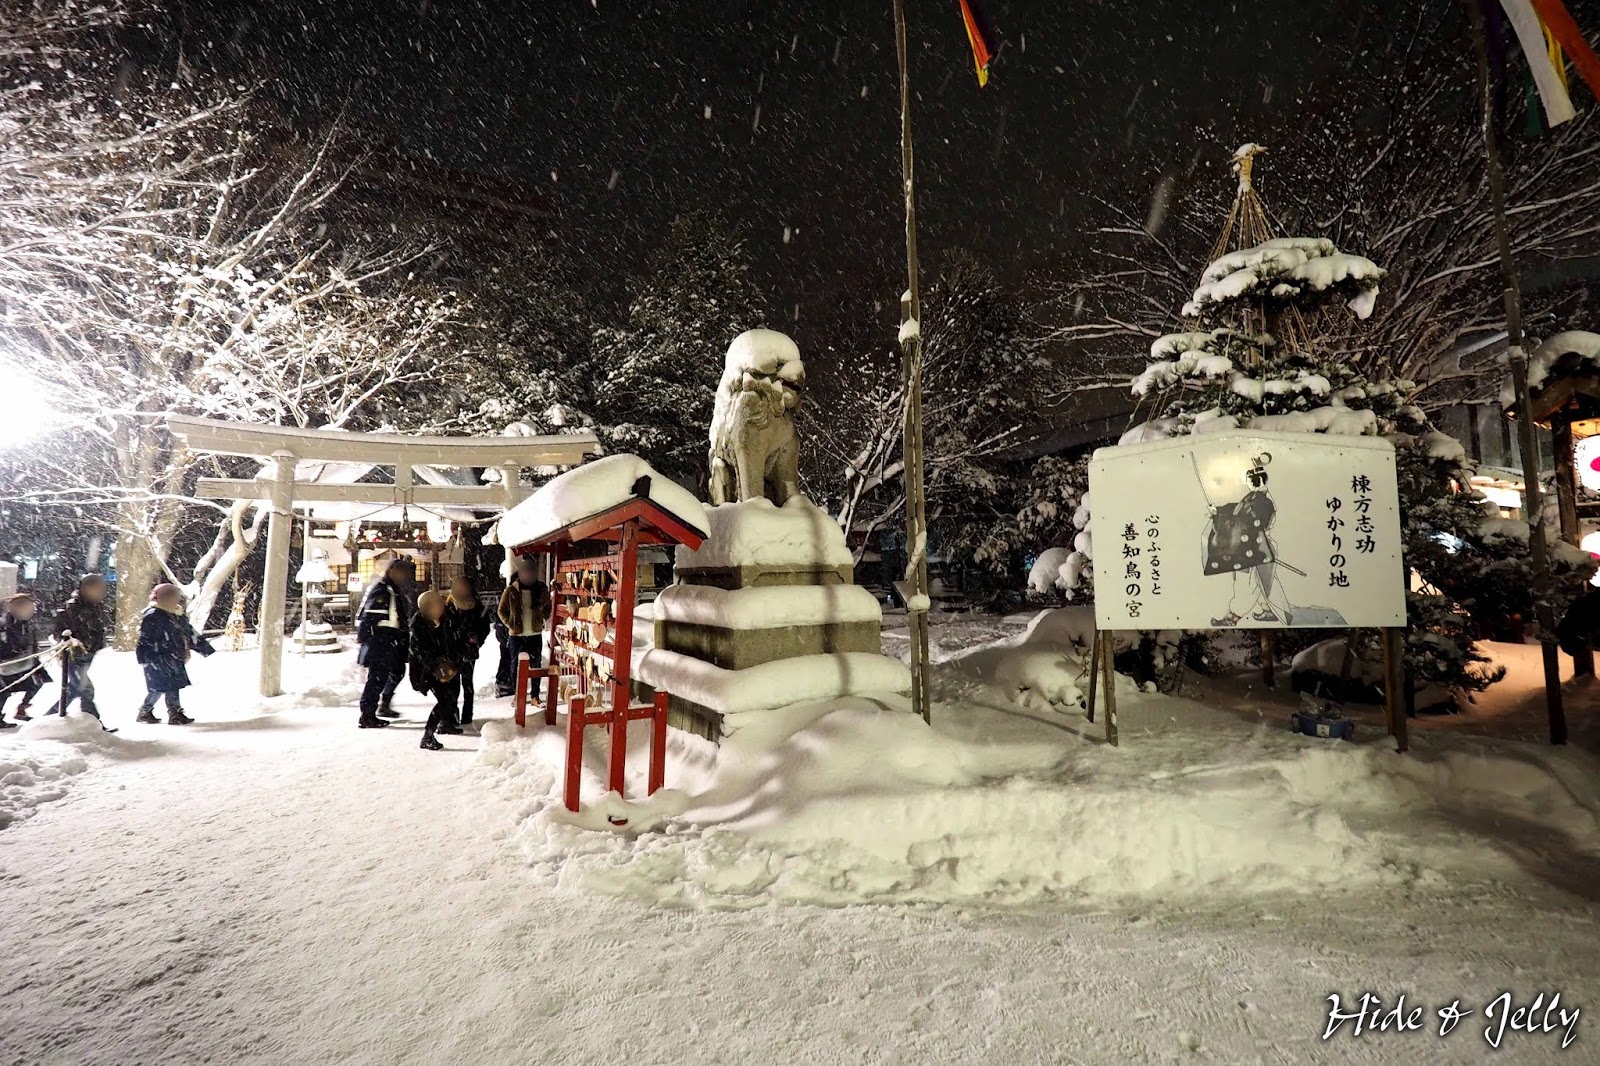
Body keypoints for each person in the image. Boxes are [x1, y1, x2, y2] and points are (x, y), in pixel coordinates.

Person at [135, 583, 215, 725]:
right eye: (169, 595)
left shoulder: (176, 613)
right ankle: (173, 713)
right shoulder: (153, 614)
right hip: (158, 657)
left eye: (174, 595)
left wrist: (204, 647)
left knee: (165, 686)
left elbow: (189, 633)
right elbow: (145, 638)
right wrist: (145, 657)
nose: (174, 598)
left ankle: (148, 711)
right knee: (165, 686)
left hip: (173, 656)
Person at [355, 557, 415, 729]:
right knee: (377, 678)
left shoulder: (395, 590)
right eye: (400, 572)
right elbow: (369, 616)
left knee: (397, 671)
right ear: (391, 572)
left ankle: (384, 704)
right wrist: (366, 638)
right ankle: (367, 715)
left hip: (393, 639)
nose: (403, 576)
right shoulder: (383, 590)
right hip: (382, 640)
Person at [410, 590, 464, 751]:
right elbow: (420, 652)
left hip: (445, 665)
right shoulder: (418, 626)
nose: (442, 606)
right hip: (427, 671)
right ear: (428, 608)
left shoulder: (444, 619)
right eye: (438, 604)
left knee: (453, 694)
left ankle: (446, 724)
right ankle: (427, 736)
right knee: (444, 700)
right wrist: (437, 665)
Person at [52, 573, 109, 721]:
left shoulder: (96, 607)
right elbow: (61, 631)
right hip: (73, 655)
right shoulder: (72, 607)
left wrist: (95, 645)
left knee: (74, 689)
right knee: (85, 689)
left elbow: (97, 630)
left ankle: (49, 718)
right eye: (96, 589)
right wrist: (72, 642)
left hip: (87, 654)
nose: (100, 592)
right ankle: (93, 720)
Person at [496, 556, 550, 704]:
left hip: (534, 634)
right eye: (525, 572)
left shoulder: (541, 589)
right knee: (515, 666)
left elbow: (548, 607)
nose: (528, 575)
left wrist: (542, 620)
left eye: (531, 572)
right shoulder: (511, 590)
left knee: (536, 665)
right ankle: (518, 695)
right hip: (516, 635)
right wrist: (510, 624)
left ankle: (534, 695)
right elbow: (501, 610)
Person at [444, 576, 492, 725]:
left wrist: (476, 641)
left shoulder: (476, 605)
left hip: (469, 652)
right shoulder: (448, 605)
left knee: (467, 684)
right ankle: (452, 714)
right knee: (451, 685)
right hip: (451, 652)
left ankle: (467, 715)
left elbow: (484, 627)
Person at [0, 593, 49, 725]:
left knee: (35, 684)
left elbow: (31, 643)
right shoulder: (6, 624)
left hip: (25, 662)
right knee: (4, 691)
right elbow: (6, 644)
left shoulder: (27, 624)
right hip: (7, 663)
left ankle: (22, 709)